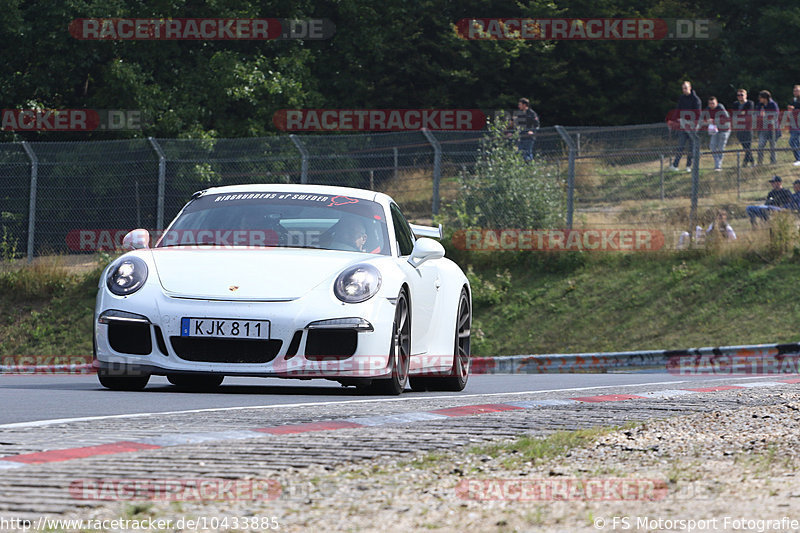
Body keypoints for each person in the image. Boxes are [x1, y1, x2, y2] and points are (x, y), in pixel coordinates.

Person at [669, 81, 701, 172]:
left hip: (692, 126)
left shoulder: (696, 99)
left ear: (690, 87)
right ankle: (675, 165)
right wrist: (674, 120)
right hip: (683, 125)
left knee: (691, 147)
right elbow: (678, 110)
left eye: (686, 88)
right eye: (683, 88)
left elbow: (698, 114)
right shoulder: (682, 98)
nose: (684, 90)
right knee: (681, 145)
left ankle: (688, 166)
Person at [705, 96, 730, 171]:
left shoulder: (720, 108)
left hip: (724, 129)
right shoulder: (707, 109)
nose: (711, 105)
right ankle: (717, 162)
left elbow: (726, 118)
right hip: (715, 130)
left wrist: (714, 120)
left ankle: (718, 166)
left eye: (713, 103)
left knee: (721, 147)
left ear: (716, 103)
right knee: (712, 146)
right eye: (710, 104)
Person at [731, 89, 754, 167]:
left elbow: (748, 114)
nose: (740, 97)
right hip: (739, 127)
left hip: (747, 127)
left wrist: (740, 114)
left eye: (742, 95)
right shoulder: (735, 104)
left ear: (746, 95)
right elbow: (734, 114)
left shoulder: (750, 103)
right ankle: (751, 161)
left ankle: (746, 162)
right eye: (738, 95)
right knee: (744, 146)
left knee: (748, 145)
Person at [755, 90, 779, 165]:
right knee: (760, 145)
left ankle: (773, 161)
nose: (759, 99)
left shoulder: (773, 104)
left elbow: (776, 115)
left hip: (772, 129)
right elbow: (756, 114)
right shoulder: (759, 105)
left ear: (765, 98)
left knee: (772, 146)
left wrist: (765, 116)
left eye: (761, 98)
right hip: (763, 128)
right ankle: (760, 162)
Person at [514, 97, 539, 162]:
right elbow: (515, 124)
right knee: (520, 152)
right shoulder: (519, 113)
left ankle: (529, 166)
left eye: (520, 104)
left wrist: (532, 131)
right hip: (521, 136)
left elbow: (537, 124)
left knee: (527, 152)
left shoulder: (532, 113)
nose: (518, 106)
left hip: (529, 137)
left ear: (524, 105)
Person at [787, 85, 800, 166]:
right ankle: (798, 158)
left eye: (797, 90)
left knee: (792, 141)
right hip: (794, 123)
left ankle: (798, 158)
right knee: (796, 142)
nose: (795, 92)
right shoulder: (792, 100)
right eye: (794, 91)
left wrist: (794, 109)